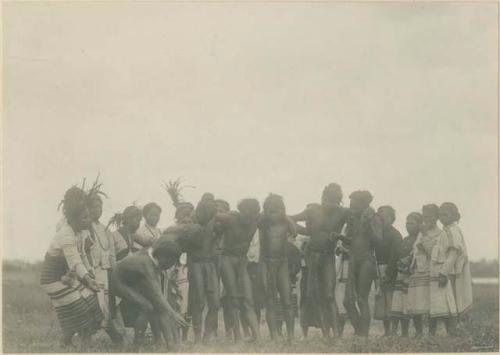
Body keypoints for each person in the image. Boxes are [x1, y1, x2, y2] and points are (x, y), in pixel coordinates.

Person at [40, 186, 103, 350]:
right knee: (80, 308)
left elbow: (83, 256)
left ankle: (80, 343)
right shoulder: (65, 234)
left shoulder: (81, 232)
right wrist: (88, 278)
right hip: (53, 279)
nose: (88, 221)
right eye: (84, 218)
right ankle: (74, 343)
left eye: (88, 217)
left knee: (91, 301)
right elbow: (75, 261)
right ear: (72, 220)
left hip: (68, 276)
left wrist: (90, 275)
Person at [291, 184, 349, 340]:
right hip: (313, 257)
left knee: (329, 295)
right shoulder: (312, 211)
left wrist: (340, 236)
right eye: (327, 200)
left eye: (334, 201)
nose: (330, 204)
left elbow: (357, 224)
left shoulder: (343, 213)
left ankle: (336, 333)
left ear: (339, 201)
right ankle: (326, 333)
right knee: (315, 295)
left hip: (328, 257)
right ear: (322, 198)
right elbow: (290, 218)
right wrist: (301, 231)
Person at [110, 237, 189, 350]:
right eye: (171, 262)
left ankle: (171, 346)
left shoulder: (154, 255)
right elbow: (158, 297)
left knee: (160, 307)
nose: (171, 266)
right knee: (147, 307)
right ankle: (136, 345)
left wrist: (171, 313)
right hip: (119, 281)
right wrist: (174, 314)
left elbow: (161, 305)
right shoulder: (146, 266)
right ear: (164, 256)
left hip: (134, 279)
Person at [216, 198, 262, 342]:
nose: (250, 217)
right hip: (227, 259)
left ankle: (257, 336)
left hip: (242, 260)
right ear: (241, 210)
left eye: (253, 214)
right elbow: (205, 214)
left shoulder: (256, 220)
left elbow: (283, 216)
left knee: (249, 299)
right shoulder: (230, 218)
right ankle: (237, 335)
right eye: (247, 213)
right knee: (233, 298)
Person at [85, 182, 124, 346]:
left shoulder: (105, 230)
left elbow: (112, 254)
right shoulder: (84, 227)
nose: (97, 210)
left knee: (106, 306)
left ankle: (115, 337)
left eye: (100, 207)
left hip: (105, 273)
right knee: (92, 305)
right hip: (90, 272)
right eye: (94, 207)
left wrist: (115, 273)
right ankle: (84, 338)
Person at [343, 190, 383, 337]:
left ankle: (363, 334)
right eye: (350, 206)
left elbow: (379, 240)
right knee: (347, 301)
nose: (351, 209)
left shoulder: (373, 218)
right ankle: (359, 330)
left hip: (366, 260)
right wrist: (341, 237)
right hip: (353, 260)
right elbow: (353, 241)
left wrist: (368, 224)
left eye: (354, 206)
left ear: (364, 205)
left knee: (361, 298)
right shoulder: (353, 219)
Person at [429, 202, 473, 336]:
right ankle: (448, 332)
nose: (442, 217)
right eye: (440, 214)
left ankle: (452, 332)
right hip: (444, 271)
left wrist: (444, 272)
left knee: (451, 302)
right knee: (446, 303)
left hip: (449, 272)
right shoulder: (446, 230)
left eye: (445, 214)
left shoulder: (453, 230)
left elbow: (454, 253)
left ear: (454, 216)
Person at [258, 194, 297, 341]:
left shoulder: (286, 223)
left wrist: (285, 216)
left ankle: (291, 335)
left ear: (283, 210)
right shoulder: (263, 222)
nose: (274, 214)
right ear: (266, 210)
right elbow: (260, 216)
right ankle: (274, 334)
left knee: (287, 300)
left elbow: (294, 231)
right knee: (270, 300)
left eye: (278, 210)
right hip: (266, 263)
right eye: (271, 210)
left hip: (282, 263)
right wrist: (268, 210)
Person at [186, 196, 221, 342]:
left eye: (209, 211)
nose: (205, 214)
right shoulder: (191, 225)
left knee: (215, 304)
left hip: (211, 265)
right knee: (198, 302)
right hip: (196, 264)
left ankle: (206, 336)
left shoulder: (218, 224)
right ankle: (198, 337)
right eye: (202, 211)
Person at [108, 206, 144, 338]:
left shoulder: (133, 236)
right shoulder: (114, 235)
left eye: (140, 220)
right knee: (119, 306)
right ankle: (121, 336)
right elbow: (111, 256)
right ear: (127, 219)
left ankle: (133, 336)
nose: (138, 223)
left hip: (131, 277)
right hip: (119, 276)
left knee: (133, 305)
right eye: (136, 219)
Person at [406, 204, 441, 334]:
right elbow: (416, 249)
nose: (427, 219)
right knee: (416, 302)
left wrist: (425, 238)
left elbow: (434, 253)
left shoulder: (439, 234)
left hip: (429, 271)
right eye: (425, 217)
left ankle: (432, 332)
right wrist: (409, 258)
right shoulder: (421, 232)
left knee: (430, 304)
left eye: (430, 216)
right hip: (416, 270)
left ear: (436, 217)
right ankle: (418, 332)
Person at [390, 212, 422, 336]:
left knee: (413, 305)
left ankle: (419, 332)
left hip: (413, 276)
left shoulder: (420, 240)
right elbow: (398, 255)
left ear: (419, 225)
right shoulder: (405, 240)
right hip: (402, 275)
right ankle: (404, 332)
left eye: (412, 223)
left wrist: (408, 262)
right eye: (407, 223)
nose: (408, 226)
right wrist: (400, 262)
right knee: (401, 305)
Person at [374, 206, 403, 336]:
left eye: (384, 217)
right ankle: (387, 331)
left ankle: (394, 331)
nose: (381, 220)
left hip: (391, 269)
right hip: (378, 268)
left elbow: (395, 255)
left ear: (392, 219)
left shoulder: (395, 234)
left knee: (392, 301)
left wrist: (389, 272)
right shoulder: (376, 234)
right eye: (379, 218)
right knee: (382, 301)